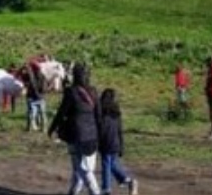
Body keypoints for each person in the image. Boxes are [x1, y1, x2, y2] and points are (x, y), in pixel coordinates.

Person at [49, 63, 102, 195]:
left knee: (82, 169)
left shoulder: (71, 92)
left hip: (75, 135)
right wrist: (100, 134)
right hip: (92, 135)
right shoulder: (94, 91)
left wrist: (52, 128)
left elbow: (62, 112)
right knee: (82, 169)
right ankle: (74, 191)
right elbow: (98, 115)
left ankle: (95, 192)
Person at [99, 89, 138, 195]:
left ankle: (106, 189)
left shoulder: (101, 113)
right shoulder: (116, 113)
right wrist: (121, 146)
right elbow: (120, 131)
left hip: (105, 142)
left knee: (106, 165)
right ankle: (127, 180)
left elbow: (101, 130)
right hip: (115, 142)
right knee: (112, 165)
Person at [19, 60, 47, 131]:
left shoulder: (29, 75)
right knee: (42, 113)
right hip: (40, 97)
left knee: (31, 113)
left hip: (31, 97)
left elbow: (21, 76)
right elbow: (44, 88)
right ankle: (43, 128)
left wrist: (23, 68)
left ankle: (29, 128)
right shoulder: (42, 76)